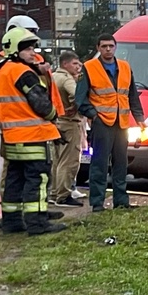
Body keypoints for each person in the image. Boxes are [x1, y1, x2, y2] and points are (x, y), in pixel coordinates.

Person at [0, 27, 65, 236]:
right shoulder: (23, 72)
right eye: (28, 48)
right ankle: (38, 223)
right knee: (38, 180)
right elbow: (40, 103)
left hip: (12, 138)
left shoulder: (2, 71)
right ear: (15, 50)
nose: (33, 52)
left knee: (15, 180)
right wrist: (54, 116)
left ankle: (12, 221)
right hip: (34, 136)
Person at [75, 33, 144, 212]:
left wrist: (139, 119)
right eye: (104, 46)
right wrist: (93, 115)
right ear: (98, 48)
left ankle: (121, 200)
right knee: (99, 164)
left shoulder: (125, 67)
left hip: (121, 122)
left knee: (121, 163)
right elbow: (80, 98)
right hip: (102, 123)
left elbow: (132, 95)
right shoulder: (89, 68)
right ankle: (97, 203)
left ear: (115, 47)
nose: (108, 49)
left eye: (111, 46)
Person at [51, 50, 84, 206]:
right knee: (69, 161)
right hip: (70, 123)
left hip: (56, 122)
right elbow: (78, 95)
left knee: (57, 160)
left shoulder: (53, 77)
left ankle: (54, 192)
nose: (78, 66)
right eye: (74, 63)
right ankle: (63, 195)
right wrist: (77, 106)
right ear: (65, 64)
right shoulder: (67, 80)